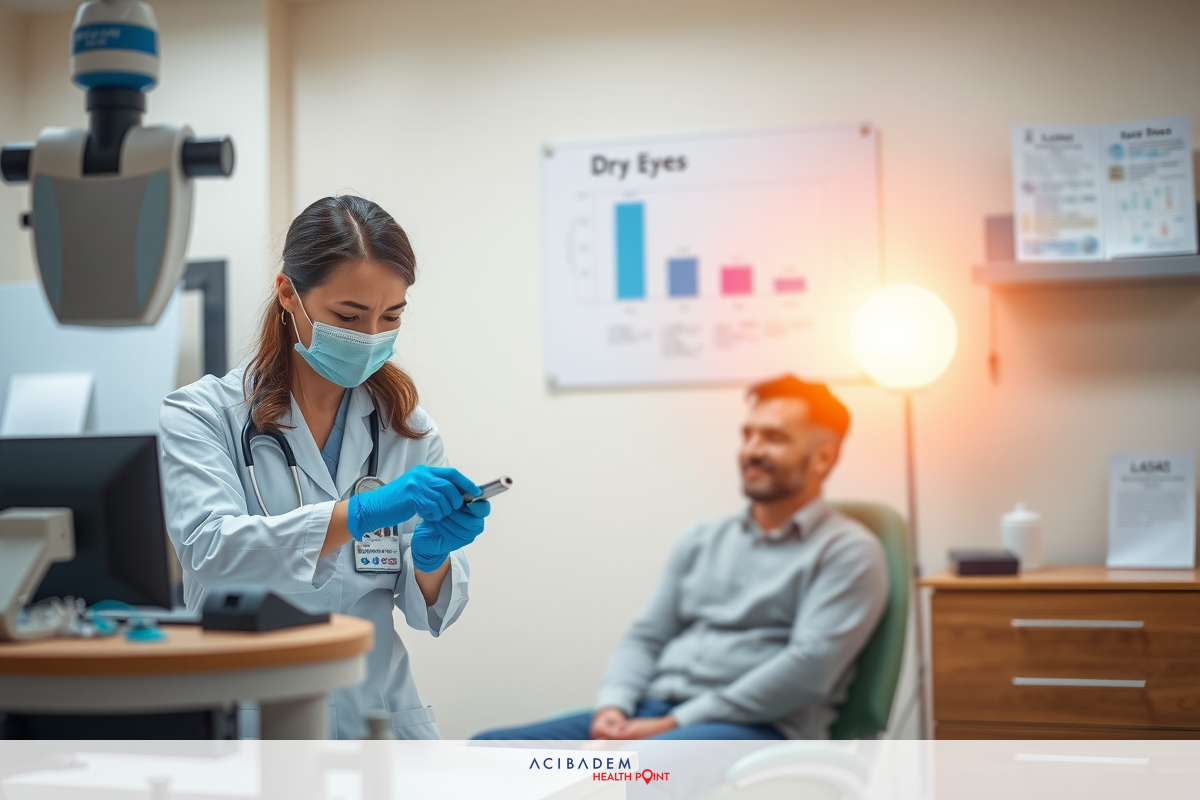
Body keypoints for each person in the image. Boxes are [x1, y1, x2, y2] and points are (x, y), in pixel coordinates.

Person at [159, 195, 490, 739]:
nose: (370, 336)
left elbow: (428, 610)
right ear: (288, 292)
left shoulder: (408, 427)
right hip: (251, 719)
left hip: (379, 718)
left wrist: (430, 557)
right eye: (348, 316)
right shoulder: (202, 415)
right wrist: (359, 513)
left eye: (392, 316)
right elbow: (211, 552)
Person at [474, 375, 887, 741]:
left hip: (757, 729)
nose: (751, 450)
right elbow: (646, 636)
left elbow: (808, 669)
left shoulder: (850, 552)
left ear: (824, 457)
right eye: (748, 435)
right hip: (651, 711)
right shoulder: (702, 538)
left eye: (774, 438)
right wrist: (613, 708)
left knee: (623, 777)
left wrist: (674, 726)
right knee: (486, 753)